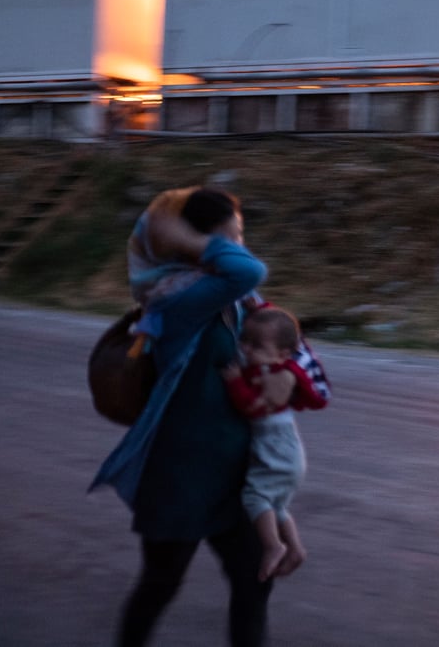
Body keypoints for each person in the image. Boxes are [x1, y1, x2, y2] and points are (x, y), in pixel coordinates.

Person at [90, 186, 284, 647]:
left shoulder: (233, 301)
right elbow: (248, 268)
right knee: (161, 583)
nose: (239, 244)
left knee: (255, 577)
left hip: (232, 471)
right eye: (231, 235)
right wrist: (197, 244)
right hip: (181, 474)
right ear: (195, 243)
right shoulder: (179, 302)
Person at [221, 305, 328, 583]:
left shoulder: (270, 372)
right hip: (287, 452)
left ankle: (273, 546)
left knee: (255, 498)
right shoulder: (269, 365)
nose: (245, 349)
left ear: (282, 353)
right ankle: (295, 548)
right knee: (277, 507)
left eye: (255, 345)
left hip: (277, 450)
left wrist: (234, 382)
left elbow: (251, 407)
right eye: (244, 341)